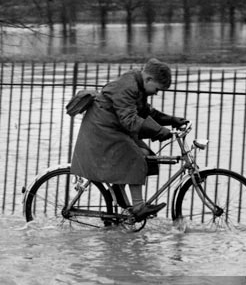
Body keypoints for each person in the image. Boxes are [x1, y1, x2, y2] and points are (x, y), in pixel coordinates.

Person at [69, 58, 188, 220]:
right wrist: (159, 131)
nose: (157, 93)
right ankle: (138, 207)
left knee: (146, 153)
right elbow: (130, 120)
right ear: (149, 79)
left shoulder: (137, 85)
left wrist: (172, 120)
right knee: (135, 157)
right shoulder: (128, 87)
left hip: (113, 126)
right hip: (102, 128)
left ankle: (118, 189)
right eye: (157, 89)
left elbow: (146, 112)